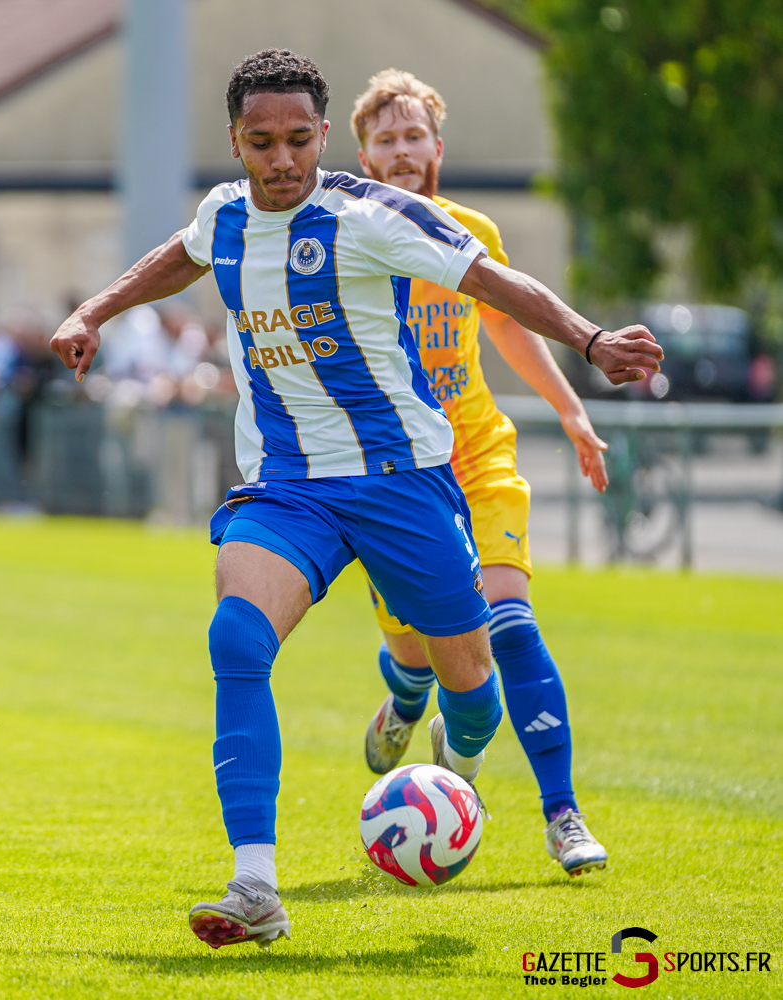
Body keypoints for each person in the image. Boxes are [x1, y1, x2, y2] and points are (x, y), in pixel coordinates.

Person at [49, 49, 662, 949]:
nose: (283, 159)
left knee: (472, 685)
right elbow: (175, 259)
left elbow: (491, 278)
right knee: (236, 636)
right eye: (263, 143)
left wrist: (592, 338)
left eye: (300, 139)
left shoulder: (372, 215)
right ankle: (255, 885)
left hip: (403, 486)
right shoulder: (223, 214)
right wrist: (93, 313)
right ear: (237, 142)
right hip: (288, 489)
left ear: (325, 137)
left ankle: (454, 753)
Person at [350, 69, 612, 878]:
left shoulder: (469, 231)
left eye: (413, 135)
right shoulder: (343, 238)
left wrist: (570, 410)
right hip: (395, 473)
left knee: (511, 626)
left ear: (437, 144)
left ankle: (563, 816)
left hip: (476, 453)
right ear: (362, 154)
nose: (401, 150)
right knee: (420, 651)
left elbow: (508, 317)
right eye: (385, 139)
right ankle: (405, 695)